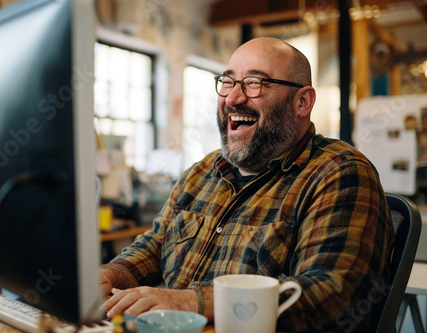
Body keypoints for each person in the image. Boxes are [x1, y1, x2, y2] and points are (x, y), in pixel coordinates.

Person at [100, 37, 394, 332]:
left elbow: (331, 294)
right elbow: (154, 246)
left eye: (254, 83)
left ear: (302, 102)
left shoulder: (339, 174)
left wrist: (190, 302)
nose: (232, 98)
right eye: (228, 82)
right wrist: (110, 276)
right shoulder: (201, 173)